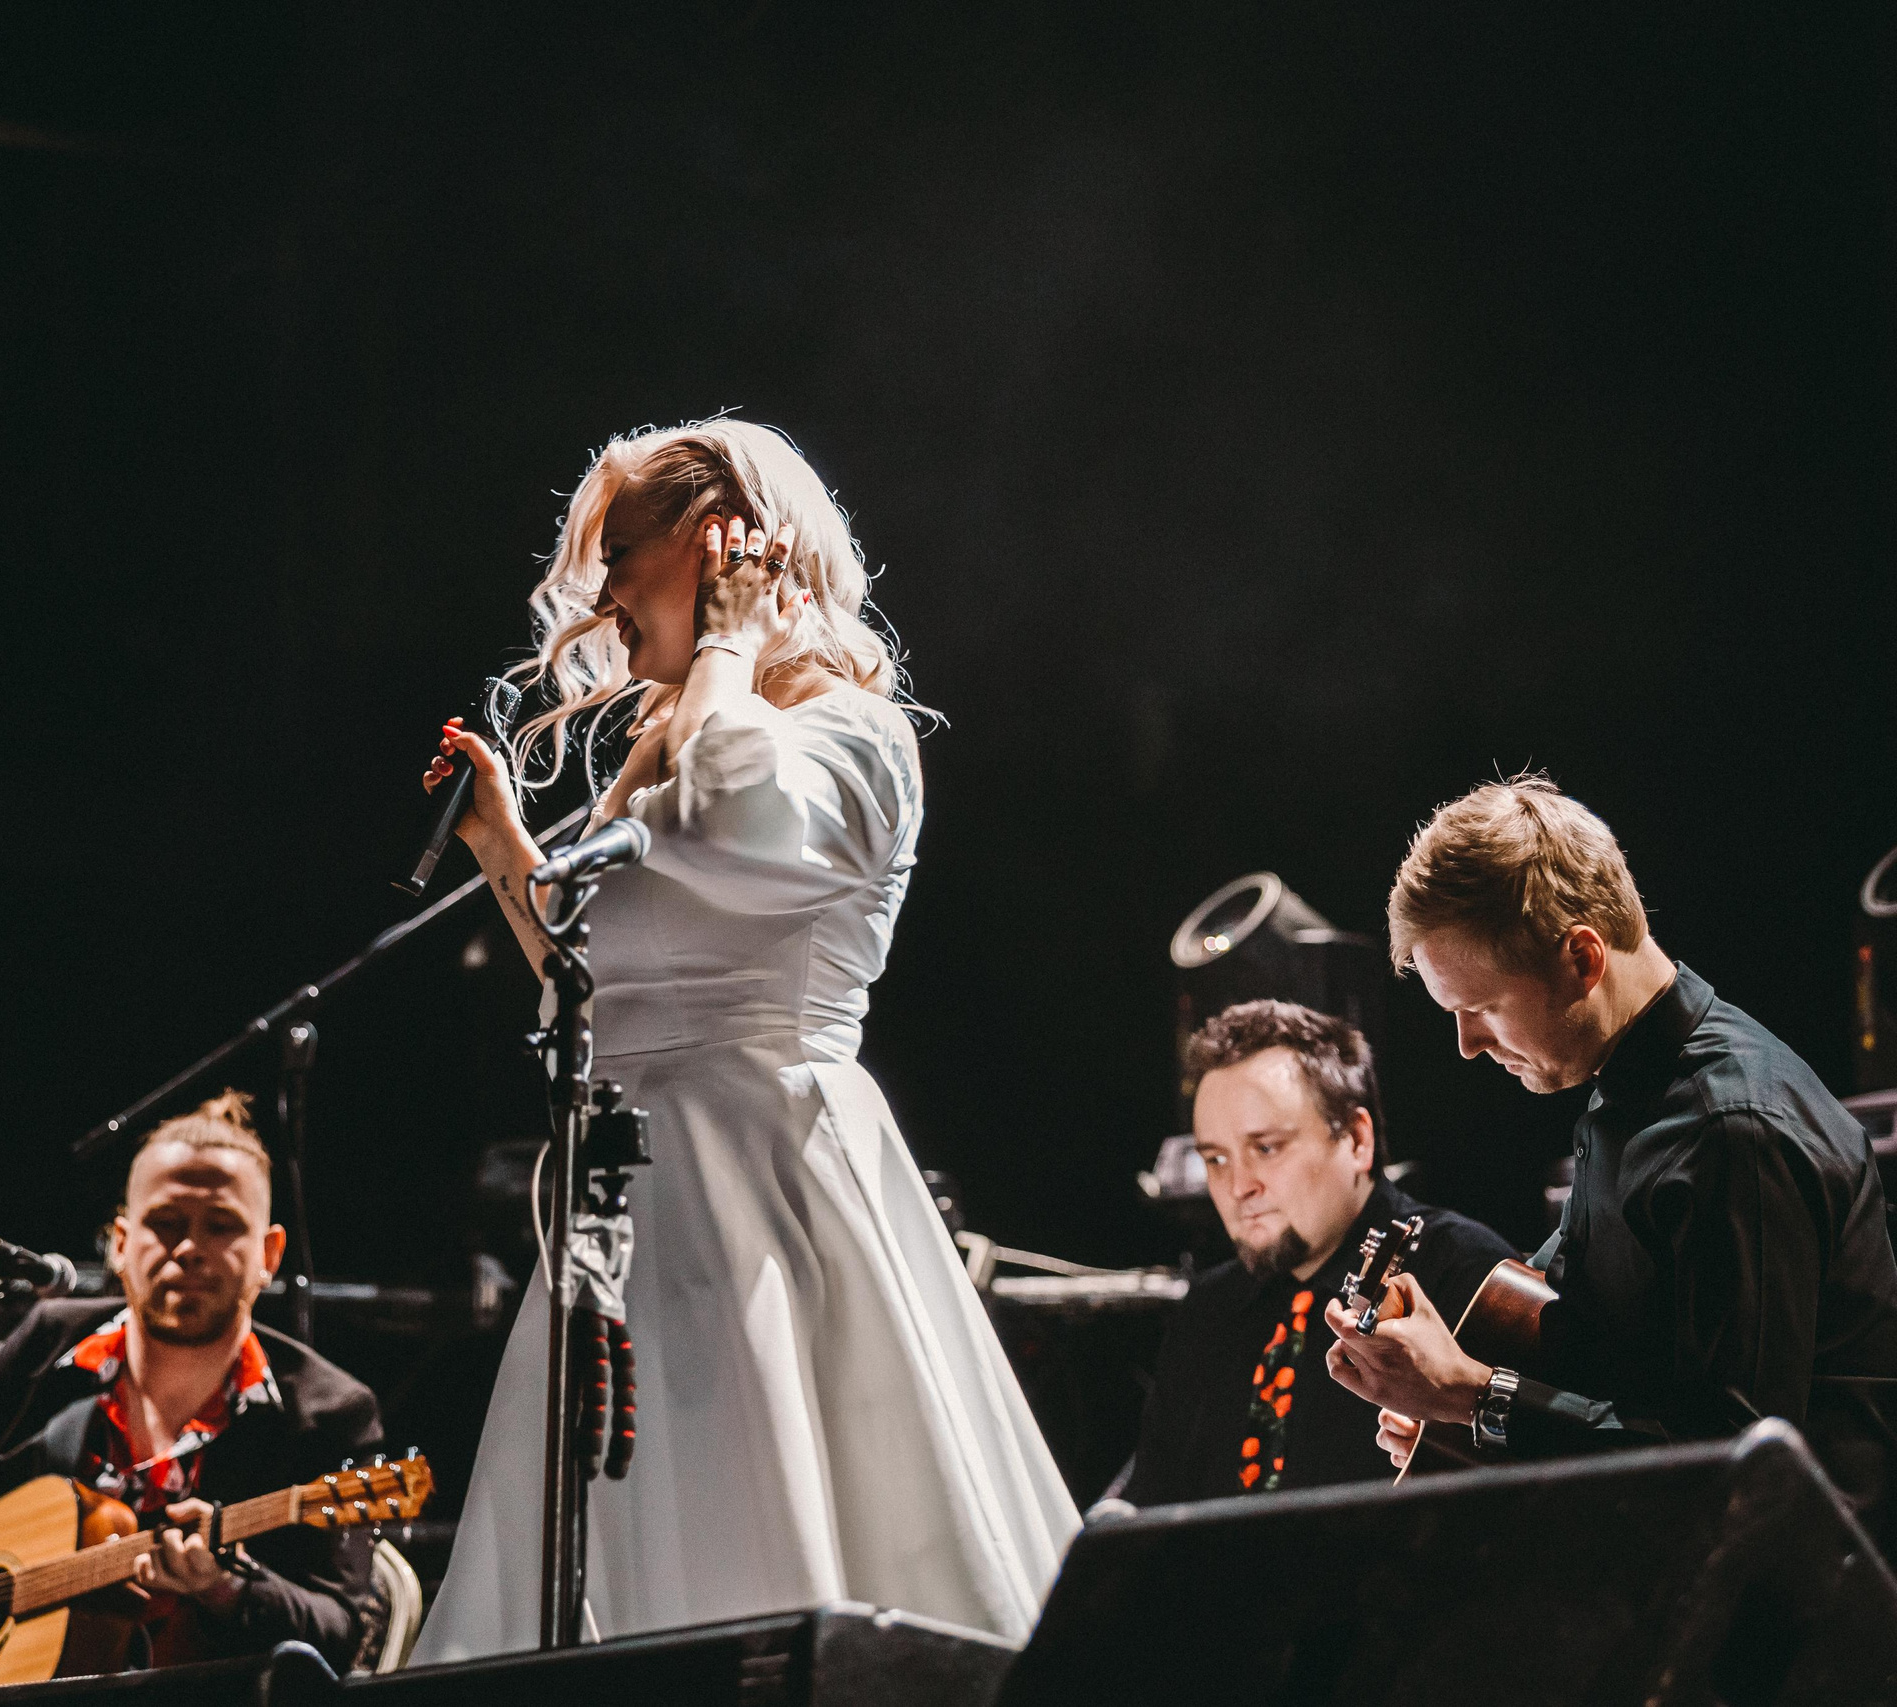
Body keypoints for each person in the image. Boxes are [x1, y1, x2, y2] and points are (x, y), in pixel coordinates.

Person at [409, 418, 1080, 1660]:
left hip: (756, 1174)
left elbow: (733, 825)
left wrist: (729, 641)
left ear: (723, 543)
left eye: (625, 555)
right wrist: (505, 844)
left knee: (755, 1558)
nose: (606, 592)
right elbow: (584, 976)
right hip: (624, 1202)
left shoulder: (848, 736)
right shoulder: (682, 733)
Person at [1324, 775, 1897, 1550]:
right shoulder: (1624, 1094)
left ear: (1583, 957)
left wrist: (1471, 1396)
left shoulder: (1734, 1130)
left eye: (1482, 1007)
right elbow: (1600, 1350)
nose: (1467, 1044)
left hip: (1812, 1613)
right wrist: (1452, 1385)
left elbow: (1733, 1466)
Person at [0, 1092, 382, 1692]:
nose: (190, 1248)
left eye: (222, 1226)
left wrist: (224, 1587)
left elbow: (339, 1630)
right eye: (165, 1222)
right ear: (120, 1242)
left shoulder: (329, 1414)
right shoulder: (49, 1350)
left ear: (268, 1255)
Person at [1120, 1001, 1516, 1505]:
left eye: (1266, 1148)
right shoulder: (1207, 1310)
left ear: (1356, 1139)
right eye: (1216, 1159)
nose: (1239, 1186)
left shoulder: (1469, 1276)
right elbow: (1153, 1510)